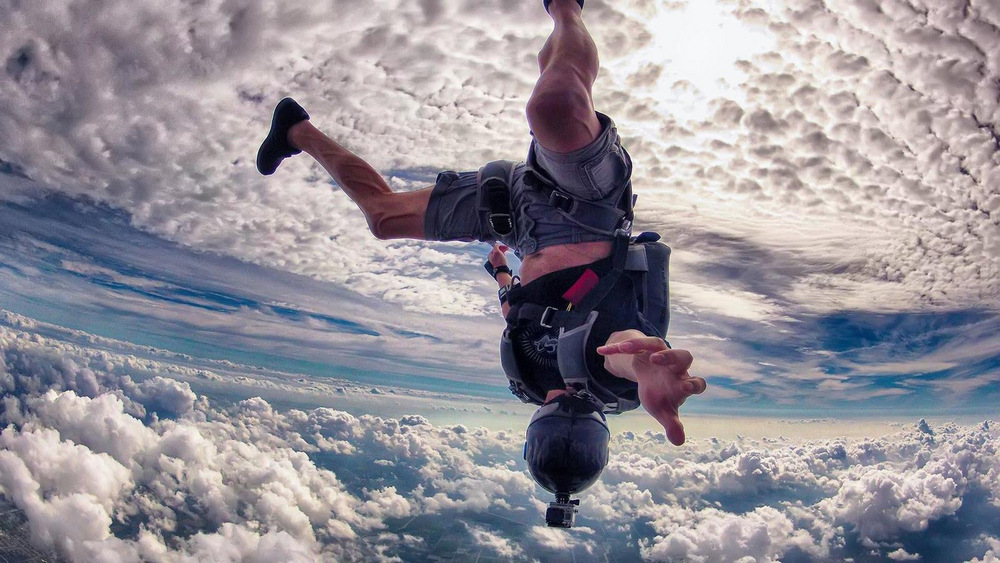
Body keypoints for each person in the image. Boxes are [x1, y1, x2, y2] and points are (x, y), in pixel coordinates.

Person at [257, 0, 706, 524]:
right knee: (555, 108)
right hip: (584, 210)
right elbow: (623, 351)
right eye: (574, 412)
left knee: (383, 217)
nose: (563, 398)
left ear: (536, 424)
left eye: (554, 410)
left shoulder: (528, 380)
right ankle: (566, 10)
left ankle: (294, 130)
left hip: (515, 226)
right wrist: (647, 365)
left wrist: (501, 273)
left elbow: (522, 316)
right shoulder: (615, 382)